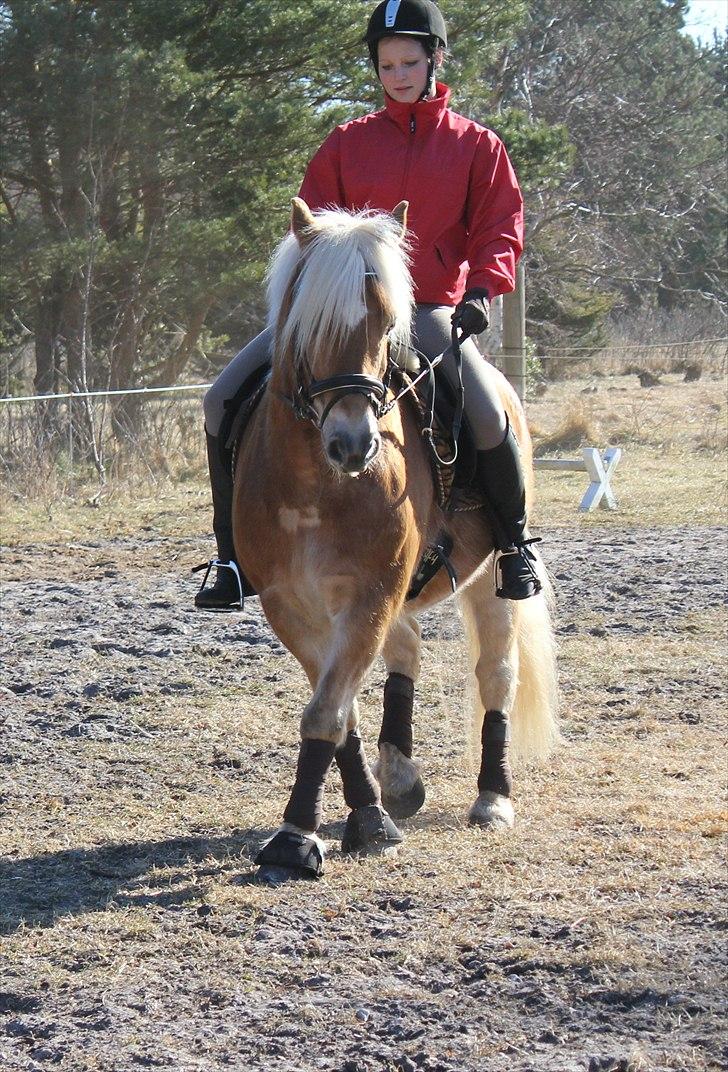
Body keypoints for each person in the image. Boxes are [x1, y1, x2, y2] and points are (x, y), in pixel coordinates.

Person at [196, 0, 541, 610]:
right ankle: (230, 559)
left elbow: (500, 227)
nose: (398, 75)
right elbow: (306, 228)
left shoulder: (477, 147)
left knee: (488, 413)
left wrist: (483, 289)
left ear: (435, 59)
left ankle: (515, 549)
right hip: (335, 313)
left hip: (429, 306)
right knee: (221, 397)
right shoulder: (346, 144)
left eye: (409, 61)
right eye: (386, 65)